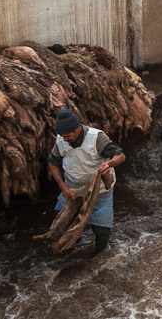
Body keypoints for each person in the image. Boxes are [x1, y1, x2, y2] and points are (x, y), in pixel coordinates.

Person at [48, 109, 126, 254]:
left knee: (101, 226)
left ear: (77, 128)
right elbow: (53, 162)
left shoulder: (96, 138)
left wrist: (109, 164)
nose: (65, 139)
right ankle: (74, 245)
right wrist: (61, 185)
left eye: (67, 135)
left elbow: (120, 156)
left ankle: (100, 255)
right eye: (62, 136)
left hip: (99, 190)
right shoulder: (61, 140)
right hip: (72, 190)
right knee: (62, 219)